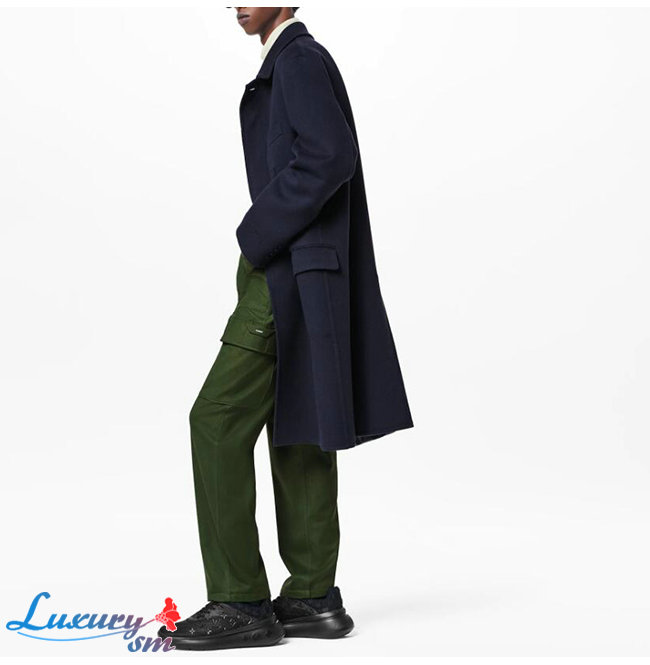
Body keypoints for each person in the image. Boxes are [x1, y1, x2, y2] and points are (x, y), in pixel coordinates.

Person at [159, 7, 414, 651]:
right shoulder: (295, 61)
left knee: (215, 420)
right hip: (299, 268)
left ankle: (240, 601)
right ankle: (312, 597)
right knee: (298, 423)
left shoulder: (298, 59)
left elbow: (330, 155)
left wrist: (256, 231)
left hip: (289, 271)